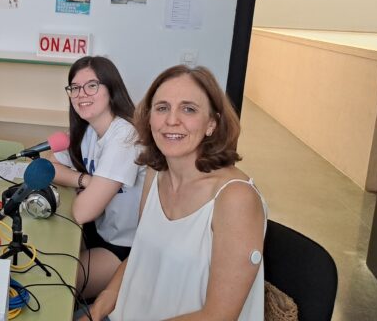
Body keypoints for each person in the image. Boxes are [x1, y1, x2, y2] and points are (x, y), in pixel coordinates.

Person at [79, 65, 266, 321]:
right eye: (162, 108)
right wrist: (100, 306)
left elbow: (219, 316)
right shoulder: (157, 173)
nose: (171, 120)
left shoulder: (236, 198)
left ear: (212, 122)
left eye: (188, 109)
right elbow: (140, 255)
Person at [49, 56, 145, 299]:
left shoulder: (124, 137)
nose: (82, 94)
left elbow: (83, 212)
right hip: (96, 233)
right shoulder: (90, 130)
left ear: (110, 89)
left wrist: (83, 185)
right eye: (75, 88)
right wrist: (86, 181)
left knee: (54, 281)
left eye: (92, 85)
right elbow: (50, 164)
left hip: (125, 248)